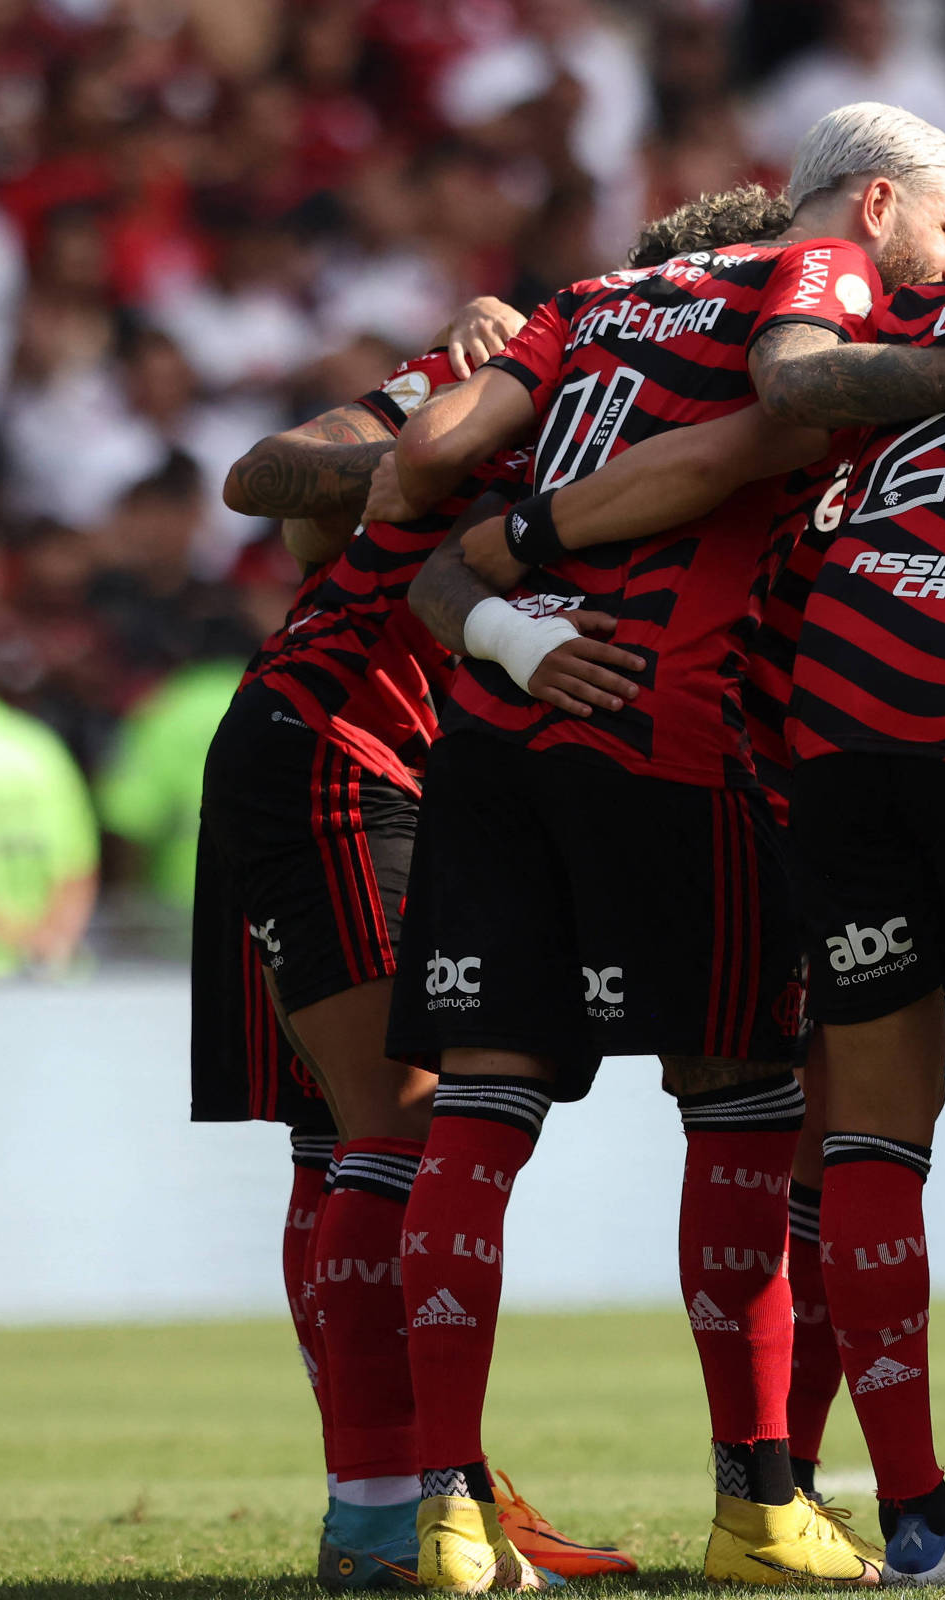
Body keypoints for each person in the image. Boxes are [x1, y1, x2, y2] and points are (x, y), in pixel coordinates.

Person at [376, 105, 945, 1593]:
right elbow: (755, 440)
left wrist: (505, 610)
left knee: (481, 1108)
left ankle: (445, 1512)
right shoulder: (818, 286)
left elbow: (415, 471)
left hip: (497, 735)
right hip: (668, 725)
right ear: (875, 204)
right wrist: (552, 552)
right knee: (741, 1102)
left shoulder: (587, 300)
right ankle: (758, 1503)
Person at [198, 296, 629, 1590]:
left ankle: (406, 1488)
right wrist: (423, 447)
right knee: (392, 1130)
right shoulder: (487, 379)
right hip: (334, 755)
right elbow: (265, 479)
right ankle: (389, 1504)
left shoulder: (631, 394)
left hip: (367, 762)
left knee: (345, 1143)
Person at [0, 683, 97, 977]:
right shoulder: (39, 747)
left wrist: (13, 936)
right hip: (45, 975)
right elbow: (78, 866)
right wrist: (49, 942)